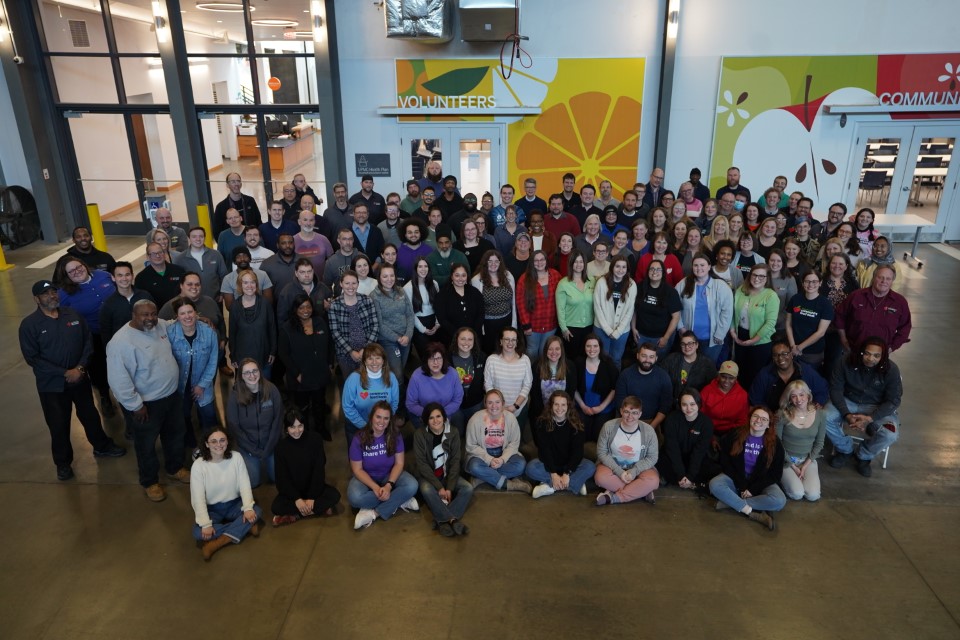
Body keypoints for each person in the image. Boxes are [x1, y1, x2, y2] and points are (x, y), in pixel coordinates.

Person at [19, 280, 126, 481]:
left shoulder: (72, 315)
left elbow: (88, 342)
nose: (51, 296)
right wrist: (64, 373)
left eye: (53, 292)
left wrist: (79, 368)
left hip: (80, 379)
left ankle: (102, 446)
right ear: (36, 299)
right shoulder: (29, 325)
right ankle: (63, 463)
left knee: (90, 416)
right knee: (58, 424)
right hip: (52, 386)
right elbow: (32, 358)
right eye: (45, 294)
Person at [106, 300, 190, 502]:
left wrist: (197, 319)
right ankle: (150, 481)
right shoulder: (121, 343)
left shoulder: (158, 324)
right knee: (146, 445)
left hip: (171, 396)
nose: (150, 318)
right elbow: (118, 380)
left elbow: (170, 322)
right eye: (145, 315)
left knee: (175, 435)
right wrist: (135, 405)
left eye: (153, 314)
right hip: (146, 405)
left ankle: (174, 468)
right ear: (133, 315)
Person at [824, 337, 901, 478]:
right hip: (848, 401)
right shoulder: (844, 362)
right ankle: (845, 449)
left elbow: (893, 401)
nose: (871, 359)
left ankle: (863, 455)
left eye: (876, 355)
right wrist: (846, 414)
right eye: (867, 353)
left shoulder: (891, 370)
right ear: (860, 352)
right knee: (823, 418)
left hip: (876, 406)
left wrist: (871, 418)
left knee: (891, 434)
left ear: (882, 356)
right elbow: (835, 389)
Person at [52, 255, 117, 416]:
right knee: (99, 368)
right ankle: (104, 396)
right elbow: (60, 317)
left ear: (84, 265)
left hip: (118, 330)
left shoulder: (104, 276)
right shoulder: (64, 294)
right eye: (71, 271)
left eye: (78, 267)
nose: (77, 271)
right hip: (93, 336)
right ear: (66, 276)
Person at [190, 427, 262, 561]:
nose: (219, 444)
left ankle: (217, 543)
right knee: (197, 533)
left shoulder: (236, 457)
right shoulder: (199, 466)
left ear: (227, 442)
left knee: (256, 511)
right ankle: (245, 527)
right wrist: (206, 524)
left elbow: (245, 485)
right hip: (212, 510)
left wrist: (247, 508)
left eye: (222, 440)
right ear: (206, 444)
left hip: (234, 504)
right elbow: (197, 498)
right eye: (214, 441)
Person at [709, 405, 785, 530]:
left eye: (764, 419)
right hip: (737, 478)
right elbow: (725, 461)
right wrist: (742, 485)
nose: (758, 420)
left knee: (779, 501)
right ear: (750, 418)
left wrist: (753, 489)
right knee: (715, 484)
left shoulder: (775, 443)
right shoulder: (735, 434)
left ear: (768, 425)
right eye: (755, 416)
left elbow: (775, 474)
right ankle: (752, 512)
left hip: (761, 482)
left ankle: (729, 503)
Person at [348, 401, 419, 530]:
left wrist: (388, 486)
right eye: (378, 417)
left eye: (386, 418)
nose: (382, 421)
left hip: (388, 474)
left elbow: (399, 463)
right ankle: (400, 499)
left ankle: (373, 512)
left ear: (390, 420)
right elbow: (357, 470)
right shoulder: (359, 438)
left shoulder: (395, 435)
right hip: (366, 476)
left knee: (412, 485)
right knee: (354, 498)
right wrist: (376, 487)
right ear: (371, 418)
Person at [271, 409, 341, 527]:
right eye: (292, 427)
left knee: (335, 496)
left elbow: (319, 470)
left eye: (300, 426)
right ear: (286, 429)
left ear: (304, 425)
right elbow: (282, 479)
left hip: (313, 489)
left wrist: (312, 497)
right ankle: (314, 510)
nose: (297, 431)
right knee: (276, 507)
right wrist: (297, 499)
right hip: (293, 493)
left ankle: (296, 514)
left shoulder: (315, 439)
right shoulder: (280, 448)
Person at [412, 403, 473, 537]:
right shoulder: (419, 434)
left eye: (438, 416)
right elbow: (422, 465)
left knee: (468, 488)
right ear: (426, 420)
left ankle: (440, 521)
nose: (435, 420)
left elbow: (455, 461)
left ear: (444, 417)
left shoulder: (453, 432)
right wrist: (440, 487)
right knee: (427, 490)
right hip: (428, 476)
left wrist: (449, 488)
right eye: (431, 418)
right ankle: (451, 520)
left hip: (447, 474)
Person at [278, 295, 333, 441]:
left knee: (319, 404)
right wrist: (296, 373)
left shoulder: (320, 322)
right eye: (301, 307)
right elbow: (283, 354)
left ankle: (321, 429)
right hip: (300, 377)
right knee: (302, 408)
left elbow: (329, 344)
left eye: (308, 306)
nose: (305, 310)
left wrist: (329, 364)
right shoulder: (287, 328)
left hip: (320, 374)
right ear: (295, 309)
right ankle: (305, 433)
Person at [166, 297, 219, 448]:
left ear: (196, 312)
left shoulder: (209, 333)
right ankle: (190, 443)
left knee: (208, 416)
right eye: (182, 313)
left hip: (203, 384)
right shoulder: (170, 334)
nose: (187, 316)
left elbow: (213, 361)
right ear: (177, 316)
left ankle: (212, 444)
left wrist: (202, 385)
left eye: (190, 312)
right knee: (184, 416)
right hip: (179, 386)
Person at [526, 391, 596, 499]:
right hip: (549, 465)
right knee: (530, 468)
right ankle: (574, 484)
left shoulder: (576, 423)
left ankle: (550, 487)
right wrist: (553, 473)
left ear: (568, 406)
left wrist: (567, 473)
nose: (560, 408)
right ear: (551, 405)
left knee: (590, 466)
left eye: (563, 404)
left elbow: (577, 452)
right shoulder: (542, 422)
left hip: (569, 466)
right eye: (556, 404)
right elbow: (545, 450)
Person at [226, 358, 283, 488]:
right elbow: (234, 426)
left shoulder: (272, 390)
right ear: (241, 376)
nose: (252, 375)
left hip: (271, 444)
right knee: (253, 482)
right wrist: (252, 450)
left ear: (260, 371)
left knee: (278, 478)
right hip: (248, 447)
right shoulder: (235, 396)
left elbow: (277, 421)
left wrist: (269, 447)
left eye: (254, 371)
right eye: (247, 373)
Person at [594, 396, 659, 506]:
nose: (630, 416)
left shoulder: (649, 431)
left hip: (639, 469)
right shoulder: (608, 427)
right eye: (626, 412)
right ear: (621, 411)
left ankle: (613, 497)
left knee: (653, 481)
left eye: (634, 413)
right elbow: (601, 452)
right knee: (600, 478)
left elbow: (652, 457)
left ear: (640, 414)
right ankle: (641, 491)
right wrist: (619, 471)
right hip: (612, 467)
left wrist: (634, 471)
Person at [464, 389, 532, 493]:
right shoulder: (475, 419)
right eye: (490, 402)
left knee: (520, 464)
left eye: (497, 402)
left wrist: (502, 459)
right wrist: (489, 459)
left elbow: (514, 444)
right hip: (482, 454)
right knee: (474, 466)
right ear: (485, 404)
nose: (494, 406)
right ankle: (508, 484)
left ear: (503, 403)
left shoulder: (510, 418)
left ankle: (483, 478)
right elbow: (471, 446)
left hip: (504, 452)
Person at [835, 265, 911, 354]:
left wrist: (891, 348)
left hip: (880, 355)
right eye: (880, 277)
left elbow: (905, 328)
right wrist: (843, 340)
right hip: (853, 350)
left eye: (888, 279)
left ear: (892, 281)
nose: (884, 281)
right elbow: (839, 316)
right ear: (874, 277)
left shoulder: (899, 302)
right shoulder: (856, 296)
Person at [676, 255, 734, 364]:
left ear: (709, 267)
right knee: (688, 367)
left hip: (712, 339)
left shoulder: (721, 286)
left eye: (702, 265)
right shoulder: (683, 284)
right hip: (689, 338)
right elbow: (675, 308)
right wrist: (680, 327)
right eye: (696, 265)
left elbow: (727, 312)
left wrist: (720, 334)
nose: (699, 268)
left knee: (708, 369)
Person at [341, 344, 400, 451]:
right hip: (357, 427)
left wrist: (382, 423)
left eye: (378, 358)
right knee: (357, 462)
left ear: (383, 360)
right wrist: (366, 427)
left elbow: (394, 403)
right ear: (364, 361)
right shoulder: (353, 379)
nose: (374, 362)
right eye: (370, 358)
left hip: (382, 427)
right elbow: (347, 407)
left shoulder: (391, 377)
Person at [730, 263, 779, 391]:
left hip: (761, 342)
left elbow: (770, 323)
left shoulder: (771, 295)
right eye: (755, 275)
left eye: (762, 276)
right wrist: (732, 332)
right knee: (740, 371)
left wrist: (754, 340)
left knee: (755, 375)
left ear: (767, 279)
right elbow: (732, 312)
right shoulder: (741, 290)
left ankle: (753, 404)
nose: (757, 279)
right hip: (740, 336)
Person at [776, 380, 826, 502]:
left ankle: (799, 478)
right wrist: (794, 466)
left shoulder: (820, 414)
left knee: (813, 495)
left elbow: (819, 443)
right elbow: (777, 443)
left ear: (808, 395)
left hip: (808, 460)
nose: (798, 399)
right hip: (786, 461)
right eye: (794, 396)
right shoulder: (782, 414)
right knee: (797, 493)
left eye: (801, 394)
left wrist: (805, 466)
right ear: (789, 398)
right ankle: (784, 479)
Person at [657, 389, 716, 489]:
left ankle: (685, 481)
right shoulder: (671, 419)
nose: (689, 408)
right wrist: (681, 475)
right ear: (680, 405)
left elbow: (699, 452)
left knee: (709, 466)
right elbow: (672, 449)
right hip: (675, 457)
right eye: (684, 405)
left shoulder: (706, 423)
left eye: (692, 404)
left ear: (699, 403)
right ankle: (684, 482)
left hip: (693, 457)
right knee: (661, 461)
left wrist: (690, 476)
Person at [749, 339, 829, 411]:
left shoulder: (805, 370)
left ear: (791, 354)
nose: (780, 358)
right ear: (773, 358)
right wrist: (768, 415)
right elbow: (756, 399)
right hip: (774, 417)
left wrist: (817, 403)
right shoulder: (764, 374)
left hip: (802, 415)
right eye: (776, 355)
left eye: (785, 354)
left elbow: (822, 389)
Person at [613, 342, 673, 436]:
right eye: (644, 356)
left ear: (656, 358)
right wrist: (631, 422)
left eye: (651, 357)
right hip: (627, 418)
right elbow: (620, 402)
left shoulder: (663, 377)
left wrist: (651, 427)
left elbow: (665, 407)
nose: (647, 360)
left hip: (652, 421)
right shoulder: (625, 375)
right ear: (637, 356)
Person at [328, 270, 379, 376]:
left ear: (358, 284)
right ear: (341, 284)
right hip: (345, 354)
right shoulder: (335, 305)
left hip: (368, 352)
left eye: (354, 283)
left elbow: (375, 326)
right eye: (347, 283)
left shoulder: (367, 300)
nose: (351, 286)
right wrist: (350, 351)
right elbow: (335, 332)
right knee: (350, 382)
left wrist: (365, 349)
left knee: (367, 383)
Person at [228, 268, 276, 379]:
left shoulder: (265, 304)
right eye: (245, 282)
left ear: (256, 284)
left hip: (263, 355)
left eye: (252, 282)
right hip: (242, 358)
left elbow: (272, 329)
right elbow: (232, 333)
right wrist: (233, 356)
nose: (249, 286)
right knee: (245, 393)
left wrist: (273, 351)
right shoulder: (235, 306)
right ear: (240, 285)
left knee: (264, 392)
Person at [406, 342, 464, 431]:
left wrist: (441, 414)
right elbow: (411, 403)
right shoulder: (416, 376)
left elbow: (457, 399)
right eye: (431, 358)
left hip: (448, 412)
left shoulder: (452, 373)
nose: (435, 362)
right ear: (426, 360)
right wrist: (430, 415)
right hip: (425, 415)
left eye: (439, 358)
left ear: (444, 359)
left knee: (458, 423)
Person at [369, 264, 415, 379]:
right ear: (379, 278)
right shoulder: (374, 296)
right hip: (388, 341)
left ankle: (401, 394)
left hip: (405, 338)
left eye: (392, 275)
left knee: (401, 369)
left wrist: (408, 335)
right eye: (385, 276)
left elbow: (410, 314)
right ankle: (396, 396)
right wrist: (397, 338)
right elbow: (379, 324)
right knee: (397, 374)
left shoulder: (401, 291)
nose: (389, 279)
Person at [483, 326, 534, 429]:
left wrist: (515, 406)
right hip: (495, 408)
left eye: (513, 340)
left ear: (517, 342)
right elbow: (488, 384)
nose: (510, 343)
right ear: (501, 341)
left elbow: (527, 385)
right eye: (507, 339)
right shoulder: (491, 360)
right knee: (497, 439)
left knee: (516, 438)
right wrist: (498, 405)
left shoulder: (525, 360)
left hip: (519, 407)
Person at [632, 259, 682, 359]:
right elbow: (634, 310)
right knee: (643, 361)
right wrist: (633, 328)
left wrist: (666, 337)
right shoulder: (639, 287)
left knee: (659, 362)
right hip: (641, 335)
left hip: (660, 338)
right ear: (648, 271)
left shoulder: (670, 292)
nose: (655, 272)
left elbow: (676, 317)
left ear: (663, 273)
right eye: (652, 269)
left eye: (658, 269)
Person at [592, 255, 636, 366]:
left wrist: (618, 331)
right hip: (601, 328)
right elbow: (597, 308)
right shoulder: (602, 282)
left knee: (616, 359)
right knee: (602, 358)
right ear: (612, 267)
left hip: (622, 331)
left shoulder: (631, 285)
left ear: (627, 269)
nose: (620, 270)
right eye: (617, 266)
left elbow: (629, 311)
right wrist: (608, 330)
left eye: (623, 267)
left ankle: (614, 383)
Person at [573, 334, 619, 441]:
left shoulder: (608, 365)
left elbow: (614, 389)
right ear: (584, 348)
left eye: (595, 346)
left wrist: (601, 407)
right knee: (580, 436)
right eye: (588, 346)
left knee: (599, 437)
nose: (592, 349)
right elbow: (573, 388)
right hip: (583, 407)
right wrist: (583, 406)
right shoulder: (578, 363)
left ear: (600, 347)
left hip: (604, 409)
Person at [515, 250, 560, 359]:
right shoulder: (524, 279)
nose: (539, 263)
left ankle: (542, 374)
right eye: (536, 260)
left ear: (546, 261)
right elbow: (520, 303)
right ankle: (530, 374)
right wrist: (526, 325)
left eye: (542, 259)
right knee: (532, 351)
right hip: (533, 326)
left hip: (551, 324)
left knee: (546, 351)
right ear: (531, 262)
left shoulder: (555, 275)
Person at [471, 250, 517, 355]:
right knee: (491, 352)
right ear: (485, 263)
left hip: (507, 321)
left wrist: (514, 323)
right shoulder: (477, 280)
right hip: (488, 325)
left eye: (496, 261)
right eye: (490, 261)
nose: (493, 264)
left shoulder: (508, 276)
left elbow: (513, 302)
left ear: (500, 262)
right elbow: (476, 308)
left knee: (506, 350)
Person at [785, 270, 834, 367]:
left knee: (809, 380)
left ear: (820, 283)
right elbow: (788, 324)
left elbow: (820, 332)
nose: (810, 284)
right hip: (792, 348)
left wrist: (799, 348)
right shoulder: (795, 299)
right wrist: (792, 346)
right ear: (803, 283)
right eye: (807, 281)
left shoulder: (825, 304)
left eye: (814, 281)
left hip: (812, 353)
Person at [100, 262, 154, 346]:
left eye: (127, 274)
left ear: (132, 275)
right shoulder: (108, 305)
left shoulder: (145, 296)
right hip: (124, 348)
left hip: (149, 343)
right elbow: (106, 334)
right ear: (113, 278)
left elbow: (155, 319)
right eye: (120, 275)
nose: (124, 278)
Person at [555, 250, 595, 358]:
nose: (578, 265)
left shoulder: (592, 281)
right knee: (572, 358)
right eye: (575, 262)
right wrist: (564, 328)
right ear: (571, 263)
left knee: (586, 357)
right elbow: (560, 309)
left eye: (581, 262)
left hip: (589, 327)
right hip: (571, 329)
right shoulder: (563, 284)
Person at [660, 330, 718, 402]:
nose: (686, 347)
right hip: (672, 402)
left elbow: (712, 387)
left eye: (690, 344)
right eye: (683, 344)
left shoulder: (707, 364)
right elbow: (661, 377)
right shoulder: (671, 359)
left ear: (697, 345)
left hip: (695, 404)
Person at [173, 226, 229, 302]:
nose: (198, 239)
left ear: (204, 238)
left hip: (215, 299)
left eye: (201, 236)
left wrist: (222, 294)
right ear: (189, 238)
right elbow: (177, 281)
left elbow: (224, 276)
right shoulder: (180, 258)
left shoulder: (216, 255)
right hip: (190, 301)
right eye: (194, 237)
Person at [403, 257, 443, 360]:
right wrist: (423, 329)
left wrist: (438, 324)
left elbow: (439, 306)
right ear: (415, 269)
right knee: (426, 357)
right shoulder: (408, 287)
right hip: (419, 325)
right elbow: (410, 313)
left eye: (426, 266)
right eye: (420, 266)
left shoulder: (434, 283)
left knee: (438, 355)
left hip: (435, 323)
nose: (423, 269)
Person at [699, 361, 749, 440]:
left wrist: (729, 437)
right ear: (718, 376)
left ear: (736, 378)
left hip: (731, 432)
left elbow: (742, 420)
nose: (726, 381)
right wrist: (710, 436)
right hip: (708, 430)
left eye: (731, 378)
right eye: (723, 377)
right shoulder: (707, 390)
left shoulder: (742, 395)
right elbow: (700, 416)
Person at [435, 262, 485, 341]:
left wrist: (472, 333)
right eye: (457, 275)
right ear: (452, 276)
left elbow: (481, 314)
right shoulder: (442, 295)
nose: (460, 279)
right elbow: (442, 319)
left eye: (463, 275)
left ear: (467, 276)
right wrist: (458, 335)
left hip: (474, 337)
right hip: (451, 338)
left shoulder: (475, 292)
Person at [450, 327, 488, 428]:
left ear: (474, 341)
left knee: (474, 431)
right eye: (463, 339)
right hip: (454, 406)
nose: (466, 342)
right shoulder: (447, 359)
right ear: (456, 339)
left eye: (470, 339)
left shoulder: (481, 357)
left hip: (475, 403)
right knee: (459, 432)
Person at [766, 249, 797, 331]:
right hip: (759, 322)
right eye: (772, 260)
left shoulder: (789, 279)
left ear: (783, 263)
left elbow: (791, 305)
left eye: (779, 261)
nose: (775, 263)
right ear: (768, 261)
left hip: (779, 325)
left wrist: (775, 320)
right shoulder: (761, 276)